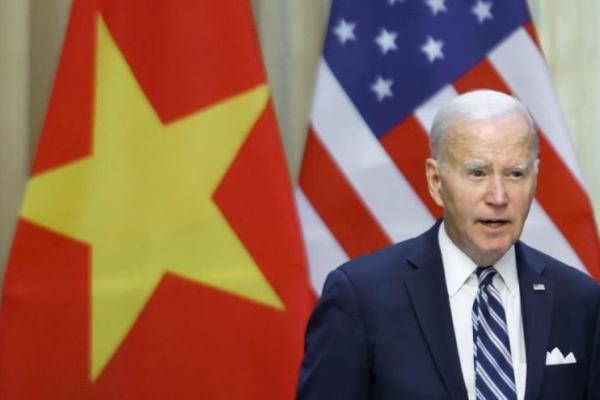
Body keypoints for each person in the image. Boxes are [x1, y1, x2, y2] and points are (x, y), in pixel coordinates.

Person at [296, 89, 600, 400]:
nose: (498, 196)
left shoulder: (579, 301)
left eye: (515, 174)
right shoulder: (361, 298)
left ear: (535, 177)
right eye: (477, 173)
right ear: (436, 181)